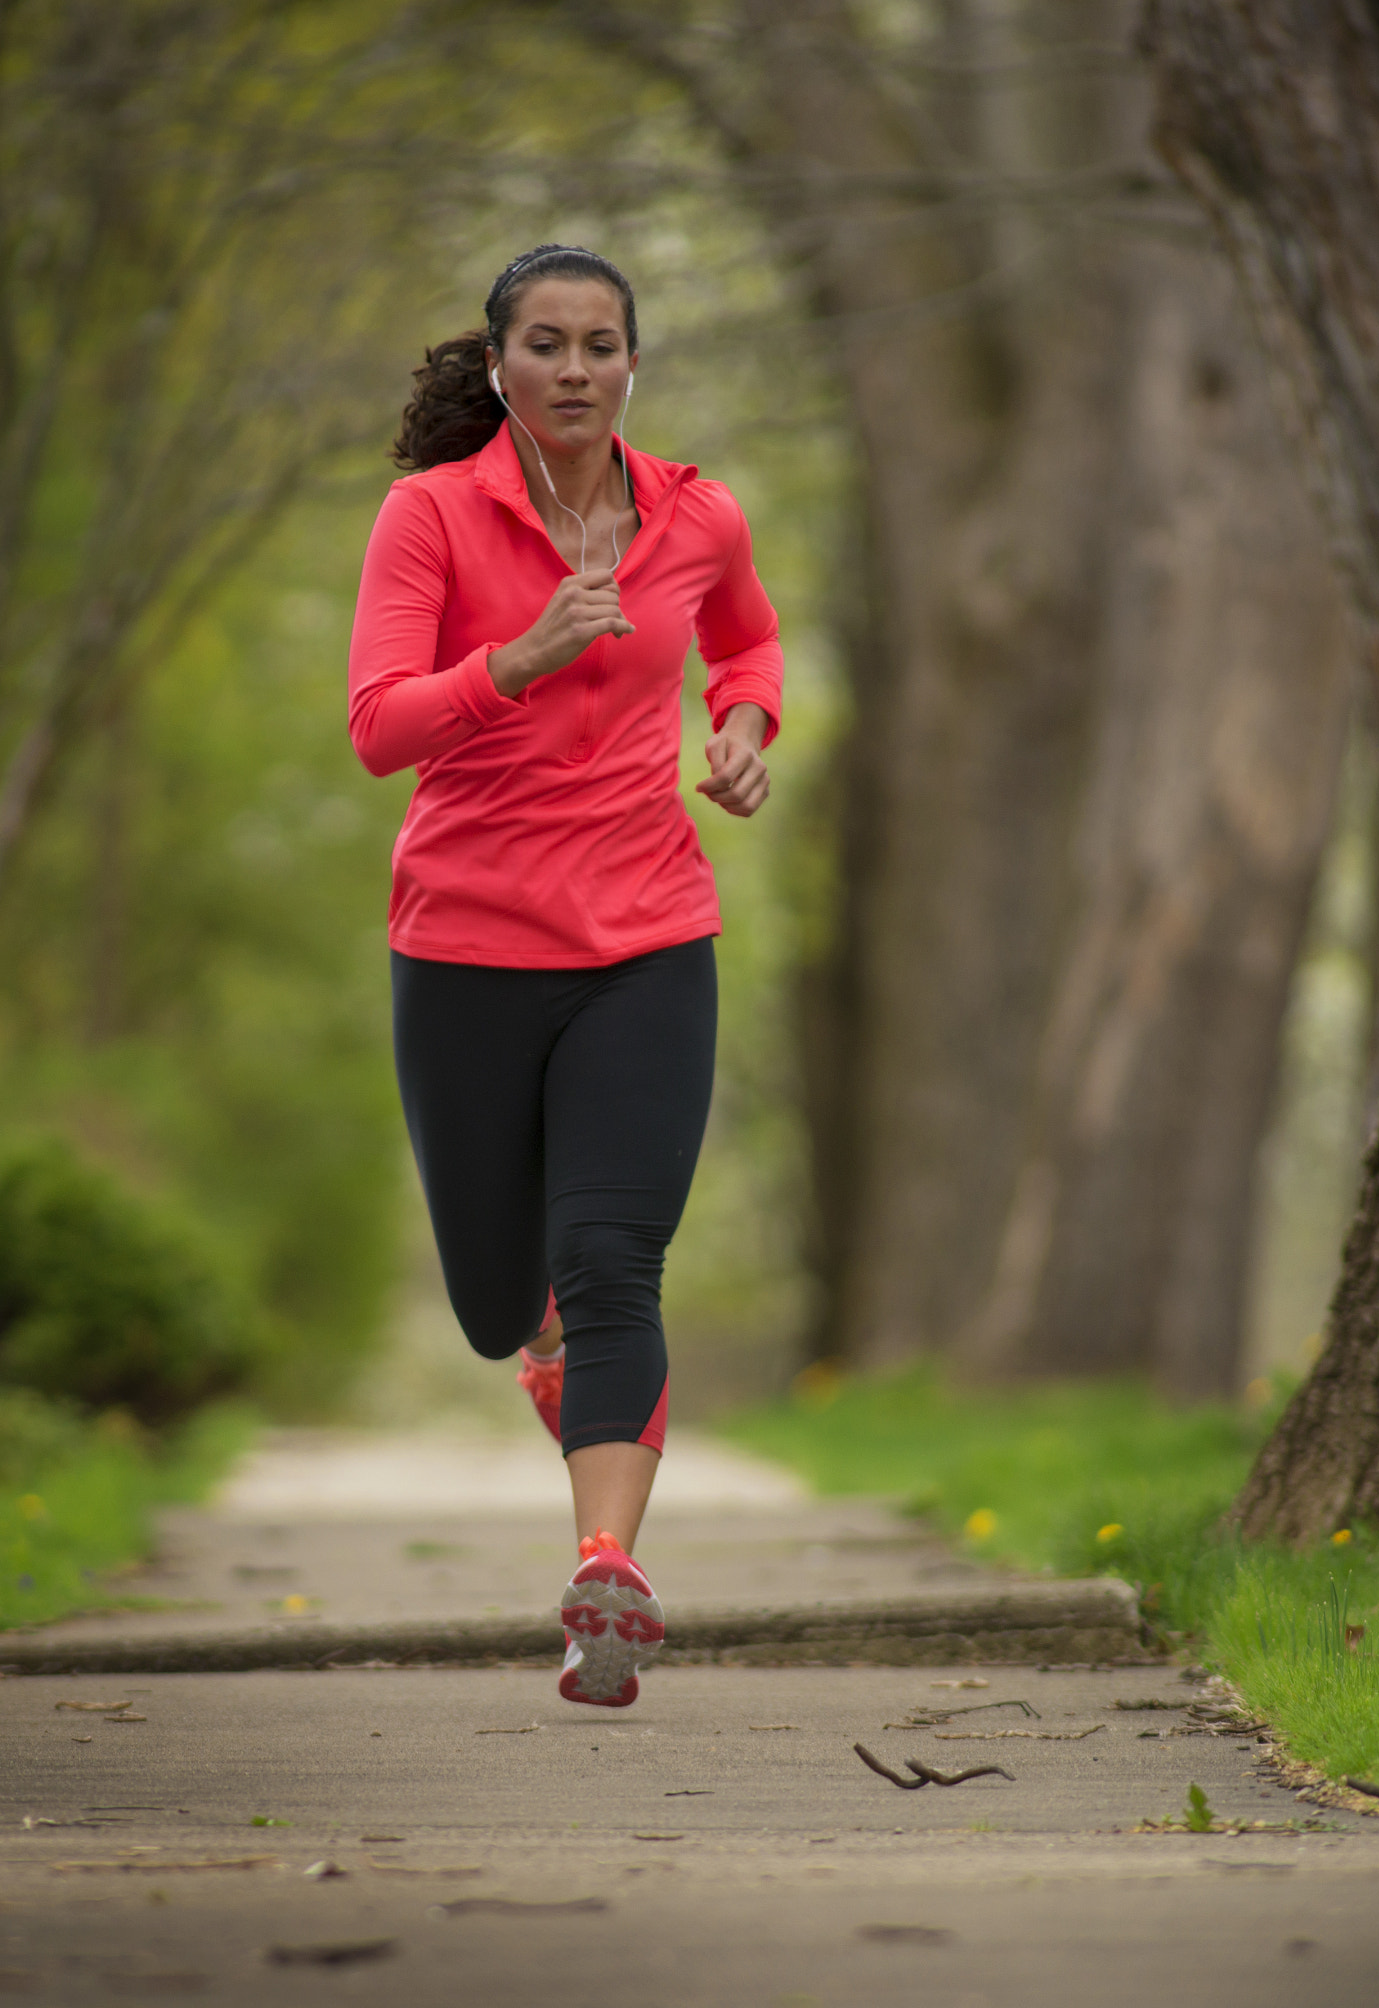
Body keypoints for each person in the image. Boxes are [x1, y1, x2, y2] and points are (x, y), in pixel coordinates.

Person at [347, 245, 779, 1708]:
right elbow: (378, 727)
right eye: (547, 344)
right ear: (501, 366)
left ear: (633, 364)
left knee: (613, 1263)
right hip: (464, 940)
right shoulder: (429, 516)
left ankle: (607, 1573)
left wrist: (745, 724)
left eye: (604, 344)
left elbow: (751, 635)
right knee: (498, 1300)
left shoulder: (695, 511)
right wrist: (520, 657)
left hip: (648, 936)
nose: (578, 368)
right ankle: (537, 1354)